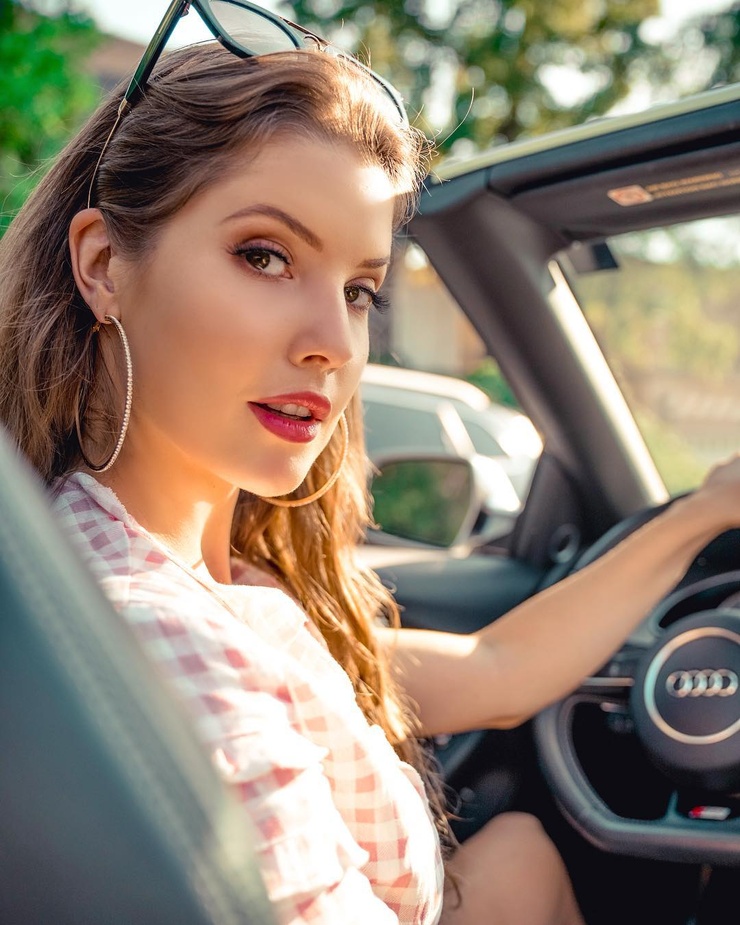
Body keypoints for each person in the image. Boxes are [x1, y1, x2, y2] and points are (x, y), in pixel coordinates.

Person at [1, 3, 739, 923]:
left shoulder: (195, 581)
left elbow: (495, 665)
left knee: (513, 851)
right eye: (264, 255)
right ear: (104, 263)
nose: (332, 345)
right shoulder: (164, 636)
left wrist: (708, 509)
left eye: (358, 289)